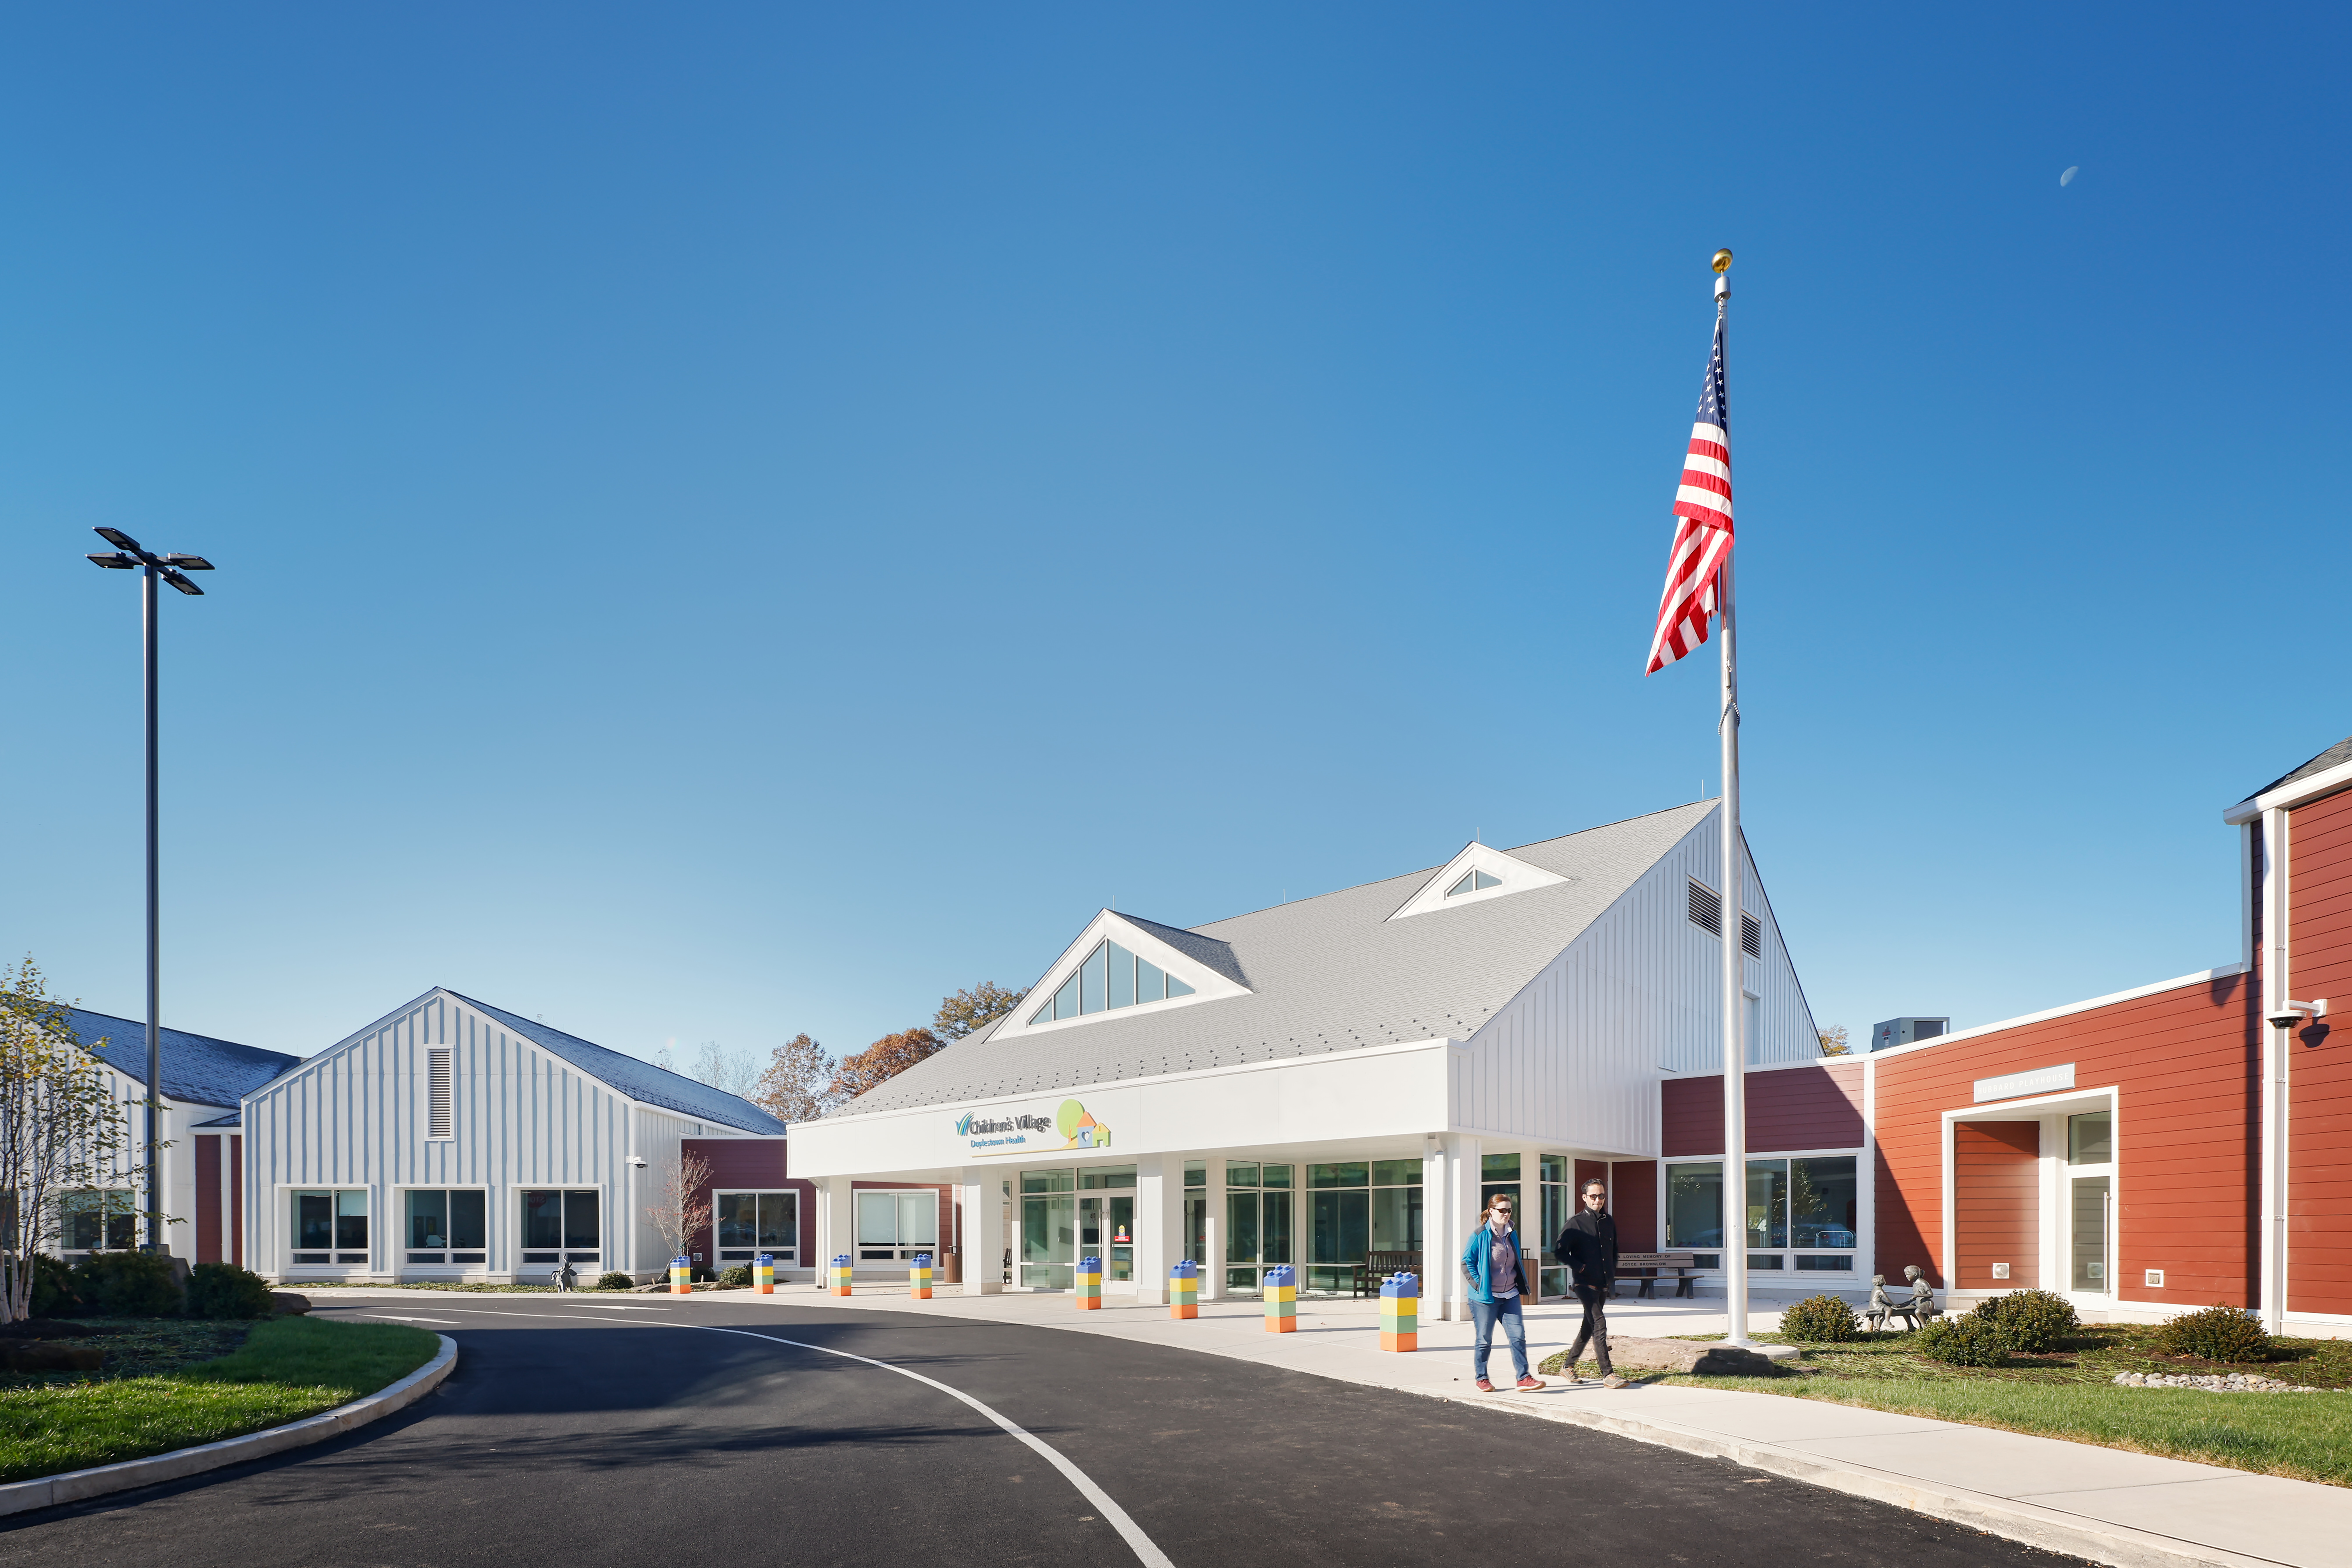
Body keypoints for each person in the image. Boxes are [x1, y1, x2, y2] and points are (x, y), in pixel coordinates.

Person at [1461, 1194, 1544, 1392]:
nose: (1506, 1214)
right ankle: (1482, 1379)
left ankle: (1523, 1378)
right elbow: (1467, 1262)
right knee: (1484, 1340)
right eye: (1502, 1210)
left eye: (1509, 1210)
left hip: (1510, 1295)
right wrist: (1480, 1285)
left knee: (1518, 1337)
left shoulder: (1511, 1233)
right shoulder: (1480, 1235)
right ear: (1491, 1211)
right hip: (1485, 1299)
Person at [1555, 1178, 1627, 1388]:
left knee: (1588, 1326)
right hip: (1584, 1283)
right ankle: (1608, 1375)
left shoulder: (1608, 1221)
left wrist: (1611, 1274)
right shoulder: (1575, 1223)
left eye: (1601, 1196)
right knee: (1599, 1323)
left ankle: (1567, 1367)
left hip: (1603, 1282)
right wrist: (1580, 1267)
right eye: (1594, 1196)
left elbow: (1613, 1251)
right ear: (1585, 1198)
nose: (1598, 1200)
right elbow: (1560, 1252)